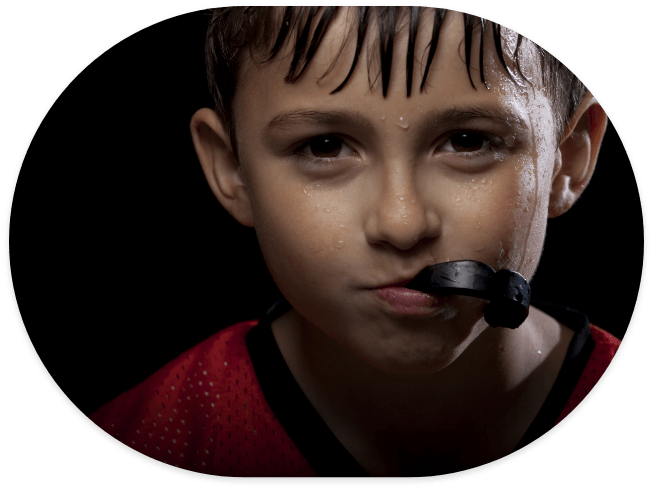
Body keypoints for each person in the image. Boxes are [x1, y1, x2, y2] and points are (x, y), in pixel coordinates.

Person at [89, 6, 620, 479]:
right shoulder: (141, 440)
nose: (402, 224)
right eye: (324, 146)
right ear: (233, 169)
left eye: (468, 141)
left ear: (568, 158)